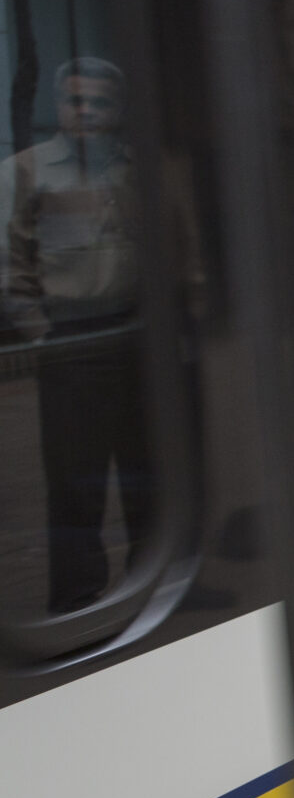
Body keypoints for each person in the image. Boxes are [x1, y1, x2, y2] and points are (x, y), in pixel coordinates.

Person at [5, 57, 151, 610]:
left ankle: (151, 585)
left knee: (148, 472)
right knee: (74, 482)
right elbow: (10, 266)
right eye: (75, 100)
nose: (86, 110)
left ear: (117, 111)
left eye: (100, 102)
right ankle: (76, 599)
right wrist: (42, 334)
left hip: (136, 336)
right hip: (70, 341)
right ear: (58, 106)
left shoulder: (136, 169)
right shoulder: (25, 172)